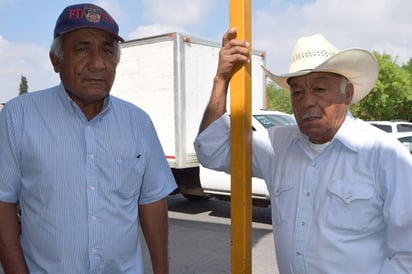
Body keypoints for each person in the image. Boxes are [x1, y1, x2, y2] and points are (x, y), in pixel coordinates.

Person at [194, 28, 412, 273]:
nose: (306, 101)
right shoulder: (276, 146)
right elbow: (211, 150)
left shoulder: (385, 155)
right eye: (297, 92)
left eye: (319, 89)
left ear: (347, 94)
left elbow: (407, 255)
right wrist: (221, 80)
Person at [0, 3, 176, 274]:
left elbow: (151, 201)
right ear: (56, 60)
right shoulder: (19, 116)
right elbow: (3, 203)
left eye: (107, 50)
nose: (97, 63)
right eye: (82, 49)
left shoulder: (138, 123)